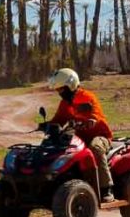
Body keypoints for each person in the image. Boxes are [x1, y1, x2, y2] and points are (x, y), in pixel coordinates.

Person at [47, 68, 115, 203]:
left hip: (100, 135)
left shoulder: (87, 97)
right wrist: (47, 125)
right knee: (59, 148)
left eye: (61, 89)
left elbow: (94, 114)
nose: (59, 92)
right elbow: (59, 119)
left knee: (95, 148)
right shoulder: (65, 103)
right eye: (58, 90)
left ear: (71, 84)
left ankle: (106, 188)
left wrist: (91, 121)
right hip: (80, 137)